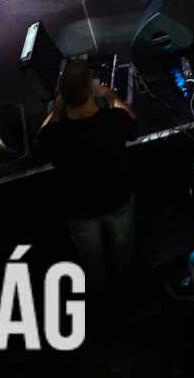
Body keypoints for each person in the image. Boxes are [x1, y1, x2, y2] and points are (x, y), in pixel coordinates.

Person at [34, 57, 138, 292]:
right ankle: (128, 292)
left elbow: (38, 144)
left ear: (63, 96)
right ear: (92, 90)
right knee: (125, 253)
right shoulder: (114, 119)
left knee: (92, 263)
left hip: (80, 211)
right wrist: (110, 96)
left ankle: (100, 297)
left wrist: (56, 109)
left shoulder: (55, 135)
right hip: (118, 200)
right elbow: (133, 124)